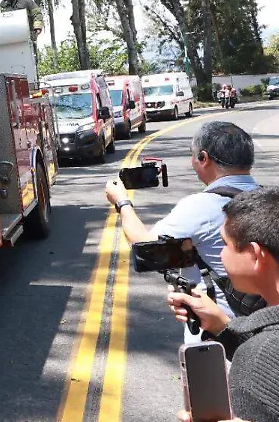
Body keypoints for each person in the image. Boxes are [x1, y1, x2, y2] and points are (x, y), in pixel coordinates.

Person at [167, 187, 279, 422]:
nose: (220, 254)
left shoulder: (257, 361)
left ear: (255, 254)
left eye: (224, 244)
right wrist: (222, 326)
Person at [105, 121, 259, 334]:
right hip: (272, 328)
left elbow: (144, 245)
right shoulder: (276, 200)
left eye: (192, 154)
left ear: (203, 158)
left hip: (220, 335)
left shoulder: (201, 206)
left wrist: (122, 202)